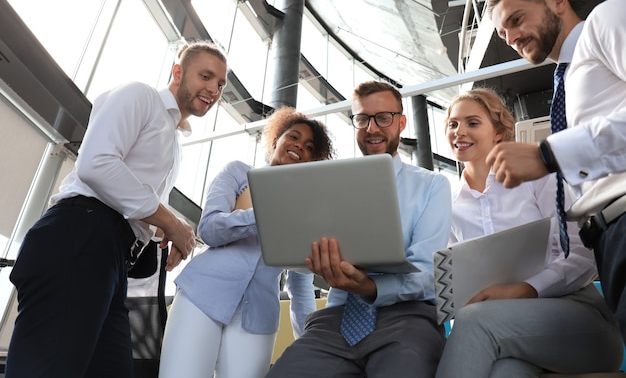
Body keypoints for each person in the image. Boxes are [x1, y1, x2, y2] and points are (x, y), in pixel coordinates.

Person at [4, 40, 228, 378]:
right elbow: (95, 164)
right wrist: (172, 222)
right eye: (206, 76)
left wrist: (159, 229)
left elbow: (128, 198)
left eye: (221, 84)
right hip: (79, 238)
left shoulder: (173, 141)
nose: (213, 89)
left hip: (109, 257)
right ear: (178, 71)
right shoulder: (141, 97)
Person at [265, 81, 451, 378]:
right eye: (363, 119)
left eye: (383, 118)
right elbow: (301, 254)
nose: (372, 128)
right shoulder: (328, 184)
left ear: (401, 122)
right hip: (335, 320)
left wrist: (369, 287)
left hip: (407, 319)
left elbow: (427, 272)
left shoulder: (432, 186)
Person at [435, 88, 623, 377]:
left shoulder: (538, 179)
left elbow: (583, 259)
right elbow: (455, 287)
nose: (460, 131)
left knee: (474, 320)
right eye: (453, 124)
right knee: (505, 372)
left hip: (579, 322)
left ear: (498, 132)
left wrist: (525, 289)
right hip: (502, 334)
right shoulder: (448, 207)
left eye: (472, 123)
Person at [485, 0, 626, 341]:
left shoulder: (609, 16)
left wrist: (549, 156)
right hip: (609, 240)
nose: (512, 36)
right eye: (503, 33)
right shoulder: (568, 79)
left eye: (517, 19)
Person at [158, 106, 335, 378]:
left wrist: (308, 344)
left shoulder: (305, 210)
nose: (299, 146)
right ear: (276, 140)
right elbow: (210, 228)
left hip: (257, 318)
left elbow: (300, 284)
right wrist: (264, 213)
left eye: (309, 146)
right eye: (294, 137)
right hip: (202, 294)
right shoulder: (239, 173)